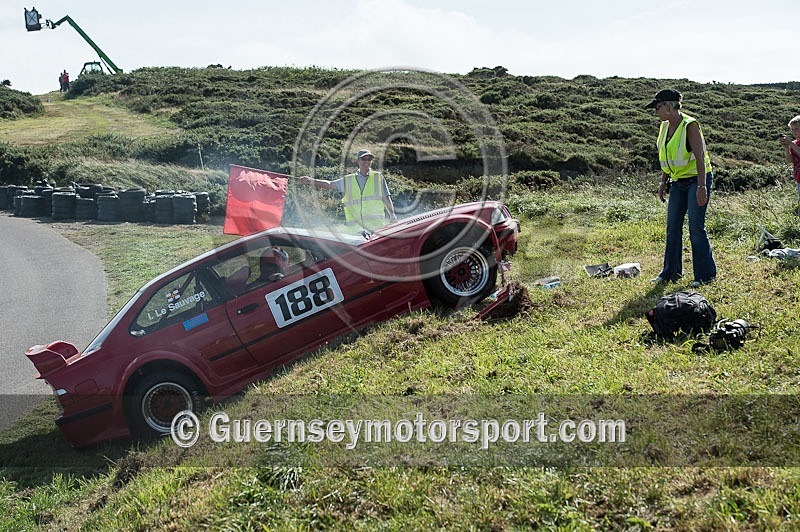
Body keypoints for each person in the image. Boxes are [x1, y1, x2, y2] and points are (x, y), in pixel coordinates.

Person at [646, 89, 717, 287]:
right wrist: (663, 182)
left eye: (657, 107)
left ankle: (705, 275)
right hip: (677, 182)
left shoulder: (690, 125)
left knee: (696, 228)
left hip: (697, 180)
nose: (655, 111)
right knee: (672, 228)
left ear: (669, 106)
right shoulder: (663, 127)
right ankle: (670, 272)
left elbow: (701, 158)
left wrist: (702, 186)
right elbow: (667, 157)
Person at [298, 149, 397, 230]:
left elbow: (386, 198)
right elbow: (330, 184)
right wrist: (311, 180)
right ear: (358, 161)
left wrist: (392, 215)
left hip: (376, 229)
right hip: (356, 233)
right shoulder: (348, 180)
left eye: (369, 159)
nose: (367, 162)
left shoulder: (378, 177)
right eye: (364, 159)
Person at [780, 115, 800, 215]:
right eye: (792, 129)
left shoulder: (794, 144)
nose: (794, 131)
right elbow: (790, 160)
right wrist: (786, 148)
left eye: (797, 128)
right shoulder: (795, 143)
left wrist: (791, 144)